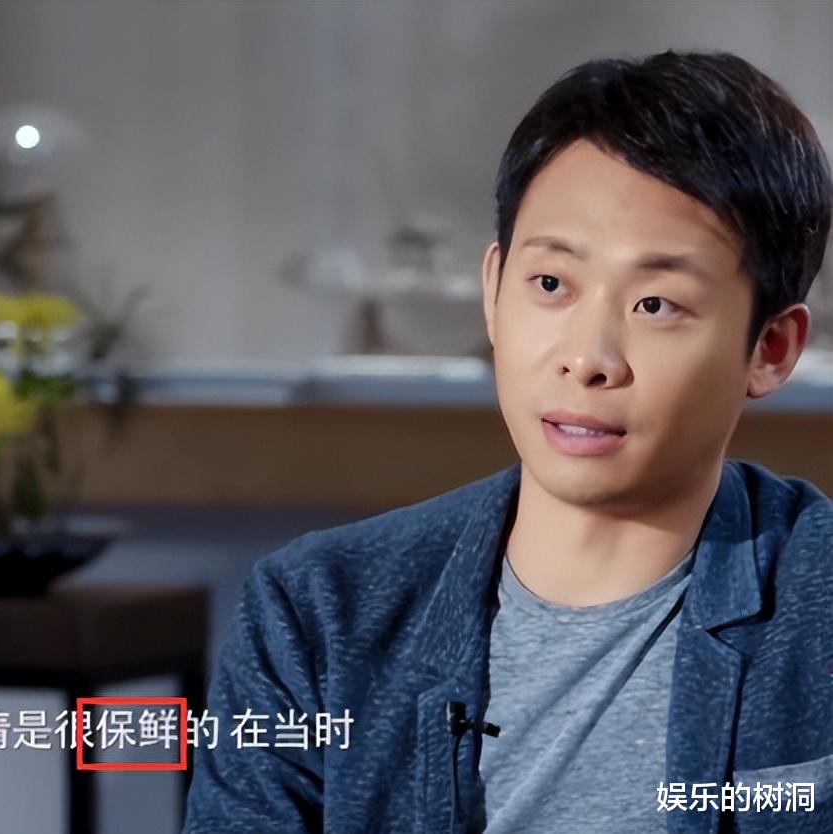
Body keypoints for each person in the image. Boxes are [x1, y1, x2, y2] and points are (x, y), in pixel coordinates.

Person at [182, 50, 832, 834]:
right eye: (551, 285)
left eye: (657, 304)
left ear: (770, 348)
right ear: (492, 291)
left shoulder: (817, 601)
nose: (589, 358)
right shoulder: (319, 612)